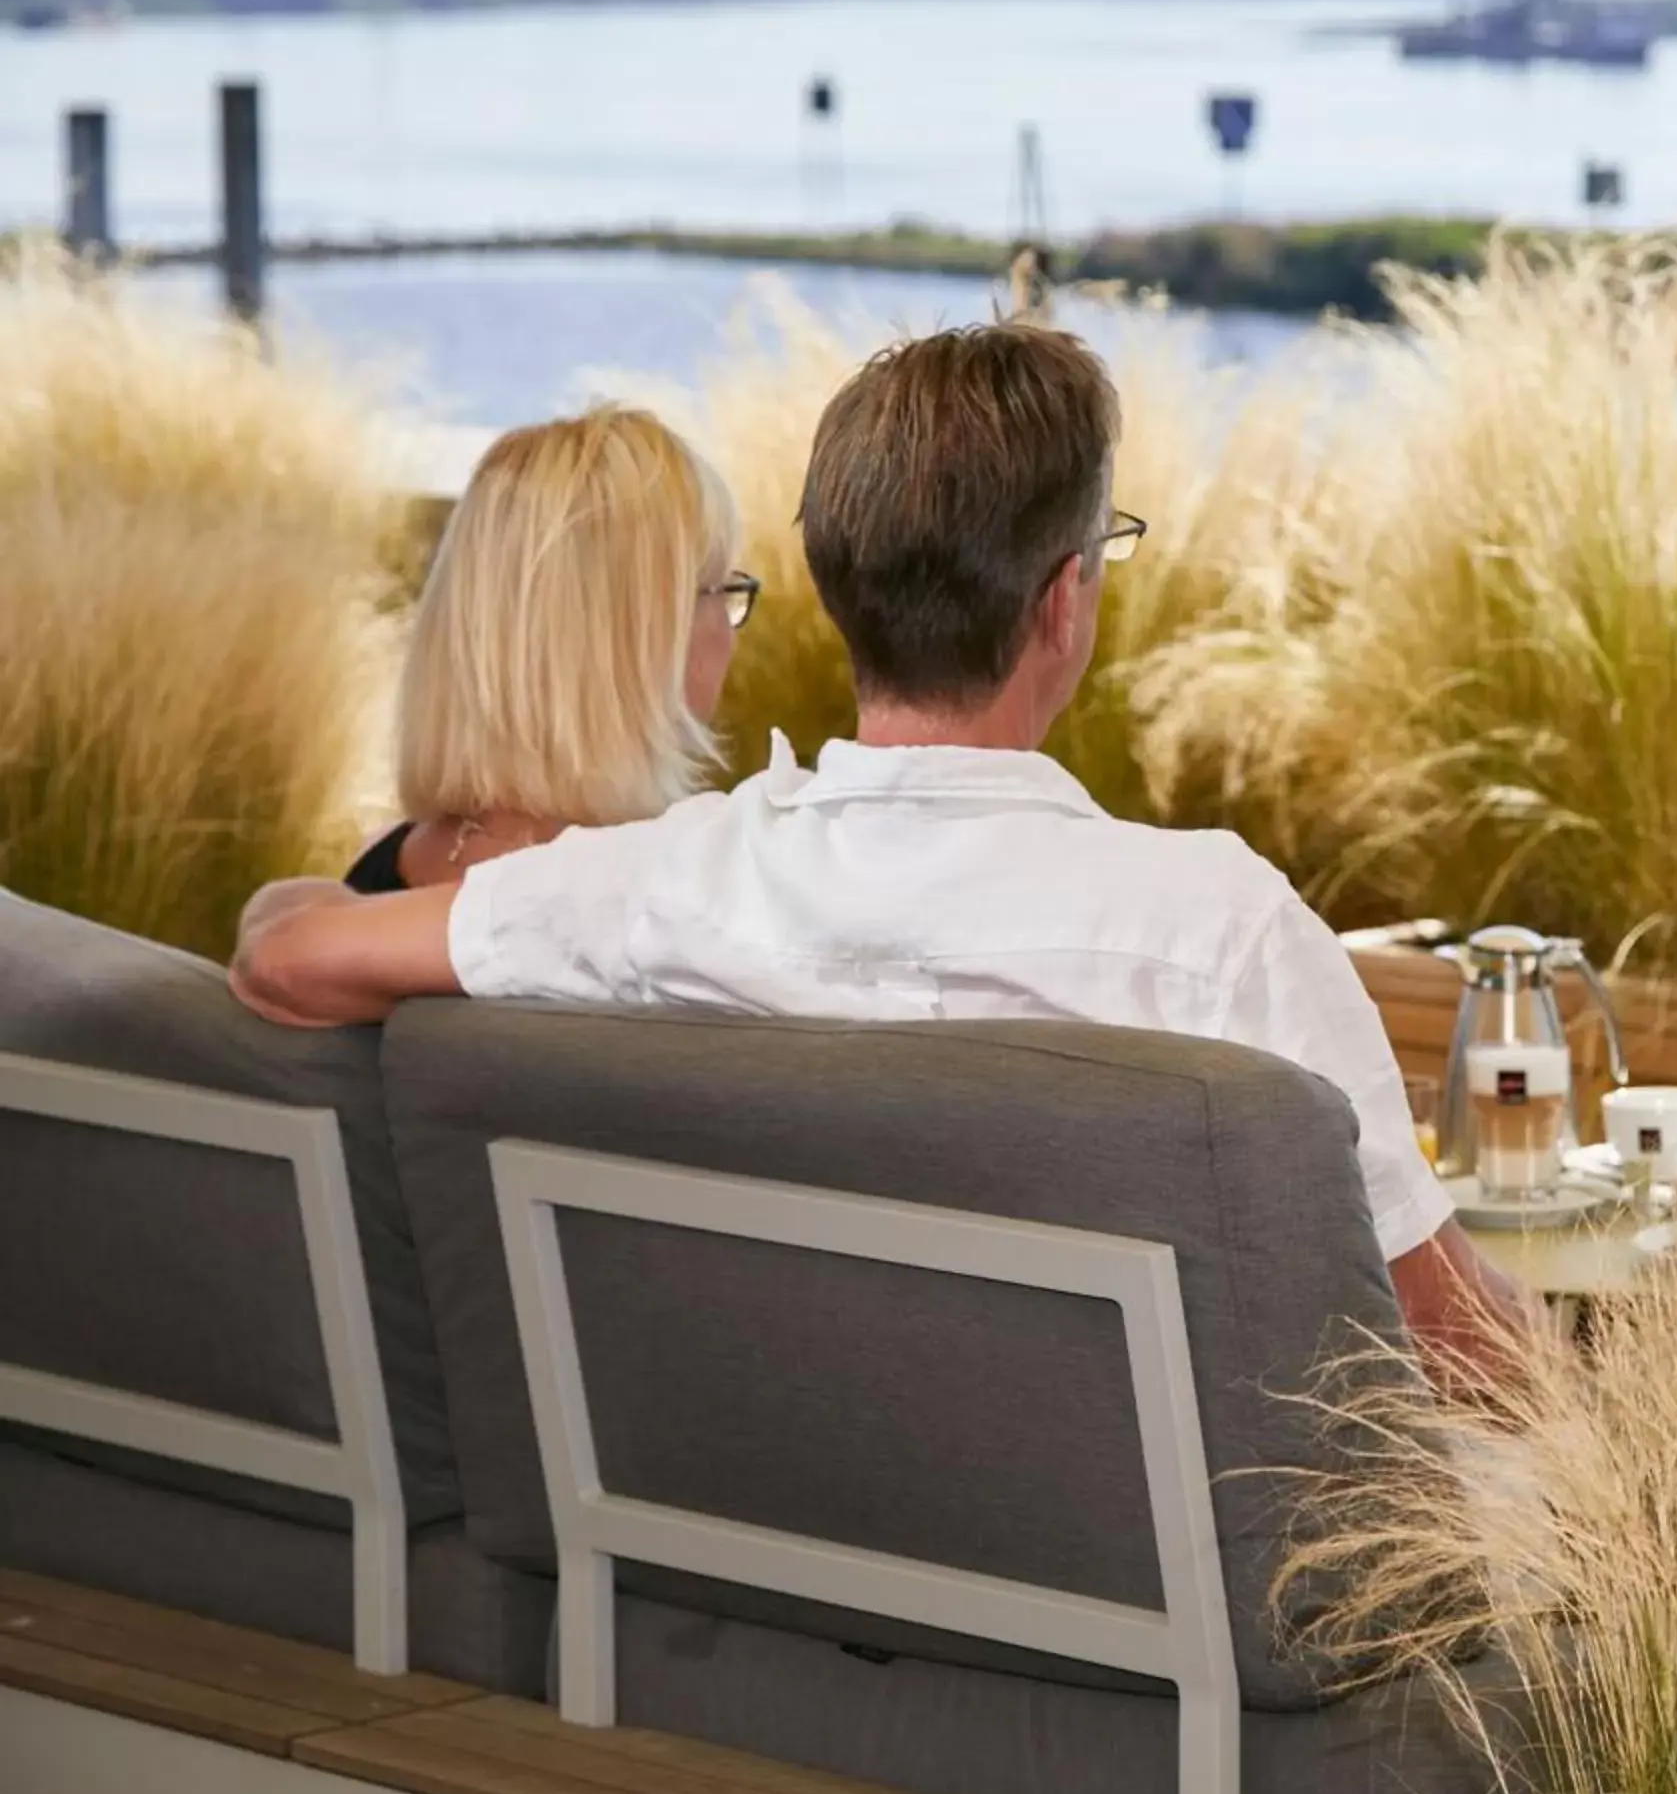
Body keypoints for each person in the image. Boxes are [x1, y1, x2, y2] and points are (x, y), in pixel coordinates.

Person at [231, 323, 1534, 1386]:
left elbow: (291, 959)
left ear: (842, 590)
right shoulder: (1222, 933)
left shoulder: (650, 888)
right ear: (1062, 603)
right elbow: (1457, 1346)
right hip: (1179, 1595)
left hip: (805, 1529)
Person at [346, 406, 758, 893]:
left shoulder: (369, 879)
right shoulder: (653, 908)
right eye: (719, 590)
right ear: (638, 640)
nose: (730, 632)